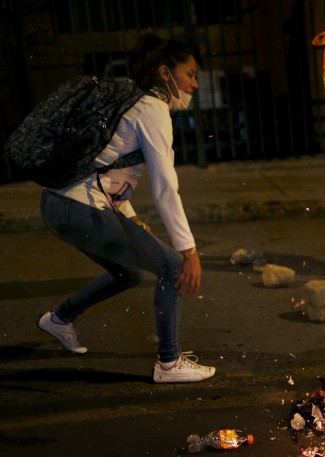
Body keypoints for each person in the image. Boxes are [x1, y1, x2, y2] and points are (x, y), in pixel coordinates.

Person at [36, 33, 215, 382]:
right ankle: (168, 363)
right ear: (166, 73)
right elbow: (166, 187)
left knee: (129, 271)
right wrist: (189, 250)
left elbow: (109, 171)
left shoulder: (134, 103)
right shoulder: (153, 110)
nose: (195, 83)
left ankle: (59, 319)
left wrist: (132, 219)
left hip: (59, 204)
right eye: (190, 74)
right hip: (78, 208)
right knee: (172, 266)